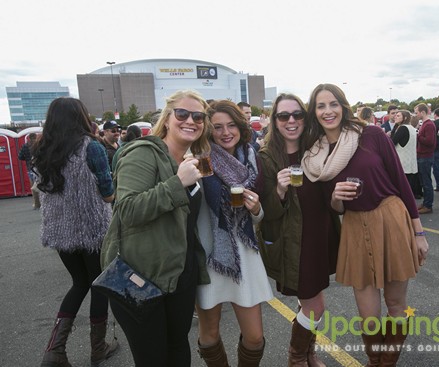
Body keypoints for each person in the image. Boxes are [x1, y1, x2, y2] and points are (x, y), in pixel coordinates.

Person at [301, 84, 428, 367]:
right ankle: (374, 359)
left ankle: (384, 364)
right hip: (355, 226)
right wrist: (335, 197)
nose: (328, 111)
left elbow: (400, 181)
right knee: (368, 314)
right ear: (314, 112)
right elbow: (333, 208)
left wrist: (419, 232)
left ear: (343, 106)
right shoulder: (315, 156)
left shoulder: (369, 135)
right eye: (320, 106)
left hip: (391, 218)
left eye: (333, 104)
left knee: (396, 304)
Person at [101, 90, 211, 366]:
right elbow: (126, 210)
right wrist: (177, 183)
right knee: (152, 358)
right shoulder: (143, 153)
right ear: (168, 117)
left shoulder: (188, 160)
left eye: (198, 116)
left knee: (177, 350)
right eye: (182, 114)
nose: (191, 121)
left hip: (180, 274)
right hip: (143, 275)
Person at [33, 97, 118, 367]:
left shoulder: (42, 150)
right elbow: (107, 195)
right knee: (99, 285)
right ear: (81, 116)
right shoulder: (91, 147)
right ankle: (98, 347)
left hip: (60, 232)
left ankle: (54, 351)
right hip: (93, 230)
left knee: (79, 283)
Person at [258, 93, 340, 366]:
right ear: (275, 121)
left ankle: (309, 352)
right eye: (284, 116)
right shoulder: (266, 157)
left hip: (321, 232)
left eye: (297, 114)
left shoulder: (316, 147)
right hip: (296, 240)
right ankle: (296, 357)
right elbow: (266, 213)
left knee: (310, 303)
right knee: (316, 306)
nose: (291, 120)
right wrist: (280, 190)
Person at [196, 99, 272, 366]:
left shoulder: (251, 157)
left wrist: (257, 209)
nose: (225, 132)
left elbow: (258, 218)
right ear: (208, 130)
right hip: (209, 254)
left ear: (241, 126)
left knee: (255, 337)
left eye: (231, 125)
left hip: (245, 255)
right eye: (217, 127)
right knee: (209, 334)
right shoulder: (200, 159)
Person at [391, 110, 421, 198]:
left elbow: (392, 142)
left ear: (405, 118)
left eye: (398, 116)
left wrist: (395, 127)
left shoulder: (402, 128)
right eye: (395, 115)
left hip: (402, 162)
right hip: (411, 162)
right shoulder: (412, 128)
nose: (395, 117)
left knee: (403, 190)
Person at [414, 103, 436, 214]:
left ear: (422, 112)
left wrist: (417, 135)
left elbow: (429, 141)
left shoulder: (428, 125)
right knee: (423, 182)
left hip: (426, 156)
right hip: (422, 156)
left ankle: (428, 205)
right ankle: (425, 203)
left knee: (426, 182)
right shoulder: (425, 124)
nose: (416, 114)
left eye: (417, 112)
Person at [18, 132, 41, 209]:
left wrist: (27, 159)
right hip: (39, 168)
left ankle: (36, 204)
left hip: (30, 168)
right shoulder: (38, 145)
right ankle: (43, 202)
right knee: (41, 185)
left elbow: (20, 157)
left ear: (29, 138)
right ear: (35, 137)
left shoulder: (25, 146)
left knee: (33, 187)